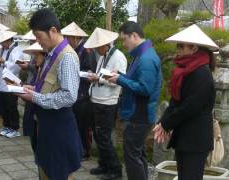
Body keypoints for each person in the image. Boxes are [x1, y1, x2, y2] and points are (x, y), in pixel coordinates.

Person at [17, 8, 83, 180]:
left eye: (39, 36)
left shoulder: (66, 56)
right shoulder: (52, 54)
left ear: (53, 30)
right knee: (46, 170)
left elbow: (69, 96)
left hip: (58, 127)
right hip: (48, 125)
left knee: (57, 173)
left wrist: (35, 97)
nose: (38, 42)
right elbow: (50, 87)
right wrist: (33, 89)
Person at [153, 24, 218, 180]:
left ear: (194, 48)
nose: (178, 49)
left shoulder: (202, 73)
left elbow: (190, 107)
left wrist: (167, 124)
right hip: (185, 136)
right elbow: (175, 100)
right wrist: (163, 122)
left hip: (195, 139)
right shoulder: (186, 70)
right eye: (178, 46)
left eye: (181, 46)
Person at [107, 21, 162, 180]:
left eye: (125, 39)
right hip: (139, 114)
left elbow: (145, 89)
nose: (123, 44)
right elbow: (137, 82)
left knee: (132, 157)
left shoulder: (145, 58)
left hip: (139, 115)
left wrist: (120, 80)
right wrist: (121, 76)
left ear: (135, 36)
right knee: (138, 155)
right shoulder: (142, 55)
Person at [84, 27, 127, 180]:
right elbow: (103, 75)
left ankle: (115, 169)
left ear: (106, 44)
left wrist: (98, 79)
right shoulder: (103, 56)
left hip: (108, 102)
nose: (96, 49)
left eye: (98, 46)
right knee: (98, 134)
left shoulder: (119, 57)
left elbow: (119, 82)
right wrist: (95, 77)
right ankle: (104, 164)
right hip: (97, 99)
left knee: (104, 136)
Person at [61, 22, 97, 161]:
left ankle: (85, 151)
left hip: (83, 92)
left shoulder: (86, 50)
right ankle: (77, 149)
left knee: (83, 124)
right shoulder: (74, 50)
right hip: (75, 91)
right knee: (75, 122)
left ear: (75, 38)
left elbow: (89, 71)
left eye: (68, 38)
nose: (66, 40)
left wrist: (76, 72)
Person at [0, 30, 23, 138]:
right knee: (3, 106)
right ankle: (6, 126)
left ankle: (14, 128)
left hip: (11, 82)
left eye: (2, 42)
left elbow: (17, 66)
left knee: (11, 106)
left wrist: (3, 62)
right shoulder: (0, 49)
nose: (1, 44)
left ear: (8, 40)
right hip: (0, 81)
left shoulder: (17, 49)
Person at [19, 42, 46, 154]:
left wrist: (31, 89)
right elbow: (37, 85)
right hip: (33, 104)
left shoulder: (46, 70)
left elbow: (43, 88)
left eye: (37, 55)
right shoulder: (39, 69)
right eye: (34, 55)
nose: (35, 58)